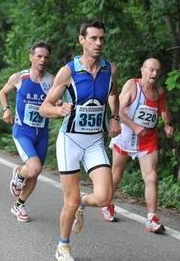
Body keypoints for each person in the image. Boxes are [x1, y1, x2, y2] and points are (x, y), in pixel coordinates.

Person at [39, 20, 121, 261]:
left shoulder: (110, 69)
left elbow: (114, 94)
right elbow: (44, 108)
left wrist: (114, 117)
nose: (98, 43)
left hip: (94, 141)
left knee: (105, 197)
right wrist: (59, 110)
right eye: (93, 38)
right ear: (82, 40)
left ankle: (84, 203)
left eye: (102, 39)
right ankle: (63, 246)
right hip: (70, 141)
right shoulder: (69, 71)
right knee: (70, 200)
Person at [101, 58, 174, 234]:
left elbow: (164, 110)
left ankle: (151, 219)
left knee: (151, 177)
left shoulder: (160, 92)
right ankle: (107, 204)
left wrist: (167, 124)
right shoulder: (132, 85)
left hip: (147, 140)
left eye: (157, 71)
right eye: (151, 69)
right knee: (116, 175)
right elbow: (118, 108)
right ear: (143, 70)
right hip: (125, 136)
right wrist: (134, 126)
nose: (154, 73)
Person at [0, 41, 54, 222]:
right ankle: (20, 174)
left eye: (46, 57)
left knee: (35, 172)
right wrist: (6, 109)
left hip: (42, 134)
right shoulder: (19, 78)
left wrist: (58, 105)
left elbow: (56, 102)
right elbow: (2, 93)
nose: (42, 60)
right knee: (34, 168)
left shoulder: (51, 81)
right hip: (23, 132)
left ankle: (19, 205)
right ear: (31, 57)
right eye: (39, 56)